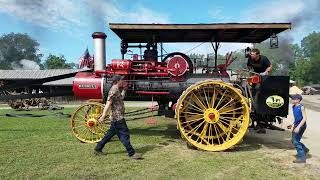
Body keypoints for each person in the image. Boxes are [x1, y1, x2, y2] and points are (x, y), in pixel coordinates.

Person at [94, 75, 142, 159]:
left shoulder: (117, 90)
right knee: (124, 134)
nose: (122, 82)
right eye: (121, 80)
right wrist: (103, 116)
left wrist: (124, 90)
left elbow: (121, 98)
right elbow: (108, 103)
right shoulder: (113, 90)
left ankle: (98, 149)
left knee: (109, 135)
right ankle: (131, 153)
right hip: (117, 117)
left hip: (116, 117)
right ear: (117, 81)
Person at [287, 94, 309, 163]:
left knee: (296, 141)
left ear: (298, 100)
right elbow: (297, 118)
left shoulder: (301, 107)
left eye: (293, 99)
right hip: (296, 125)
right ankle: (304, 149)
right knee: (294, 141)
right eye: (292, 99)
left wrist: (298, 127)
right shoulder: (293, 106)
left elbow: (304, 118)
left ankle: (302, 158)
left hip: (301, 126)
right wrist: (292, 124)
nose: (292, 100)